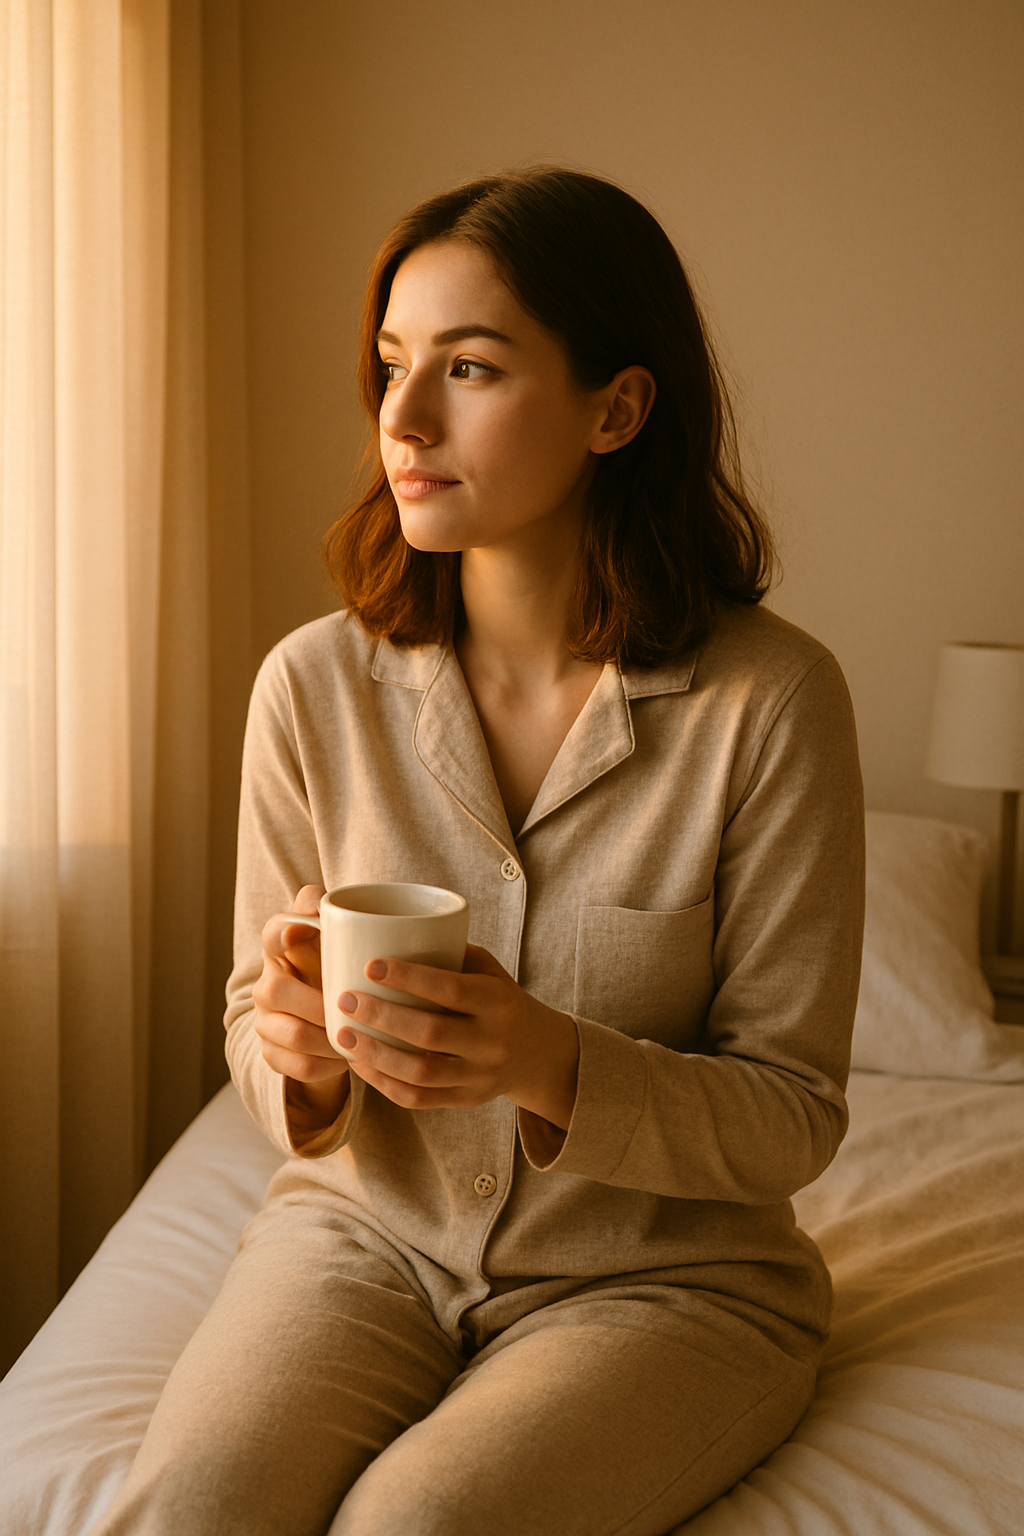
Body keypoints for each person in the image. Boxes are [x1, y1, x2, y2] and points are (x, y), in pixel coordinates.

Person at [92, 167, 864, 1536]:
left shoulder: (772, 703)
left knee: (419, 1525)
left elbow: (792, 1114)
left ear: (616, 409)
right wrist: (294, 1052)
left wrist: (542, 1060)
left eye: (472, 368)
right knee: (187, 1509)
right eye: (392, 365)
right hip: (364, 1240)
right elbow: (250, 1027)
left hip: (667, 1283)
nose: (402, 418)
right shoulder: (311, 688)